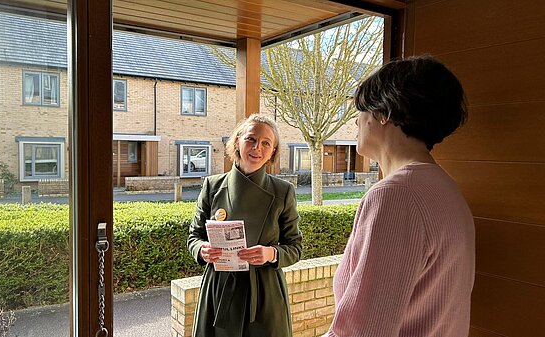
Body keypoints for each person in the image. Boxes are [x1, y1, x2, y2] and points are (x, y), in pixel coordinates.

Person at [324, 56, 475, 337]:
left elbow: (362, 331)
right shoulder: (444, 187)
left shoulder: (396, 196)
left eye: (361, 110)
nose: (357, 122)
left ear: (384, 113)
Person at [187, 113, 303, 337]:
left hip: (264, 293)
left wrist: (270, 253)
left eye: (266, 143)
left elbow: (295, 247)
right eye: (251, 139)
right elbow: (194, 236)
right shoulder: (212, 186)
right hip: (219, 290)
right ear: (238, 141)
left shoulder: (283, 191)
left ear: (273, 153)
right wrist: (202, 250)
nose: (257, 147)